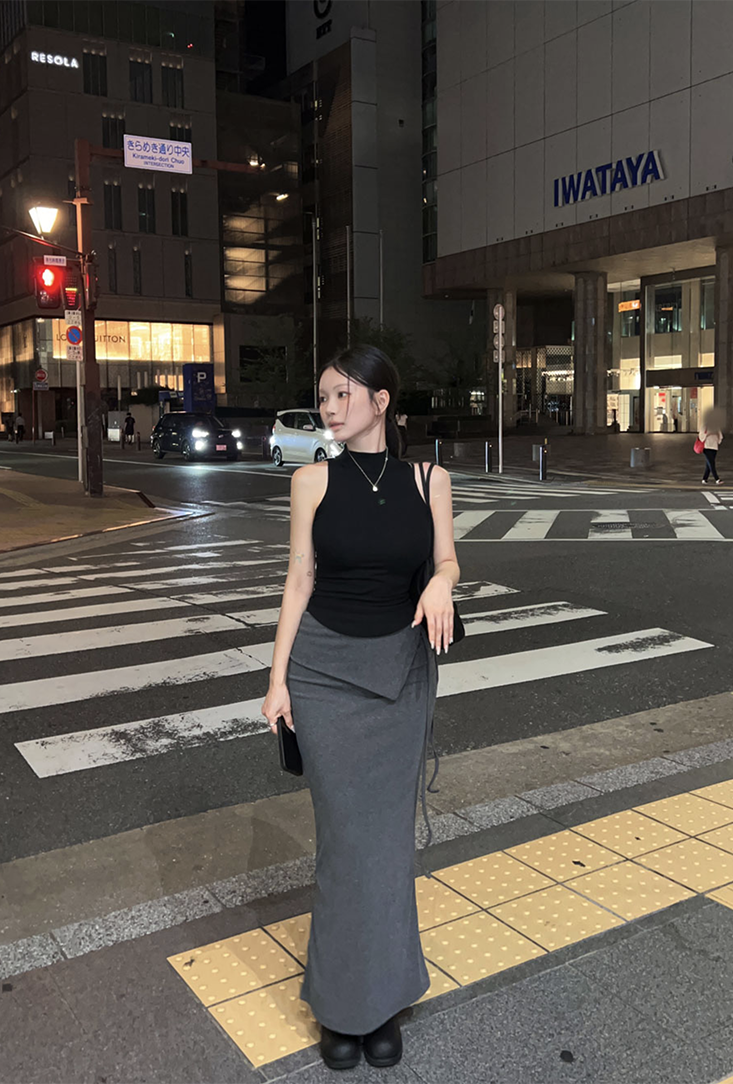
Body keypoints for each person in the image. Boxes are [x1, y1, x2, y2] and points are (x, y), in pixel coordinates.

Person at [260, 345, 458, 1071]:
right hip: (323, 676)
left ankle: (386, 998)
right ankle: (341, 1005)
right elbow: (298, 581)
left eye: (342, 395)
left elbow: (447, 559)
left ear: (381, 401)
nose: (328, 409)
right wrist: (277, 680)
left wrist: (440, 583)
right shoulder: (311, 480)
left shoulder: (430, 479)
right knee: (345, 844)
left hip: (400, 677)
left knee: (387, 846)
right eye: (323, 397)